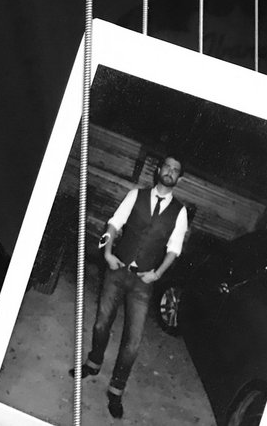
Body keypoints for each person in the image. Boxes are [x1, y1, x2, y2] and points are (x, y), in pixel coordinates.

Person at [74, 156, 191, 419]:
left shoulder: (180, 212)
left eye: (175, 170)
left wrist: (157, 274)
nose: (170, 172)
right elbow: (114, 223)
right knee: (101, 323)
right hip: (117, 269)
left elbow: (174, 249)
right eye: (167, 167)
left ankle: (116, 390)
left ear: (179, 179)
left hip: (143, 281)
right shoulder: (135, 195)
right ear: (158, 170)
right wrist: (107, 253)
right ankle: (93, 362)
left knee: (133, 340)